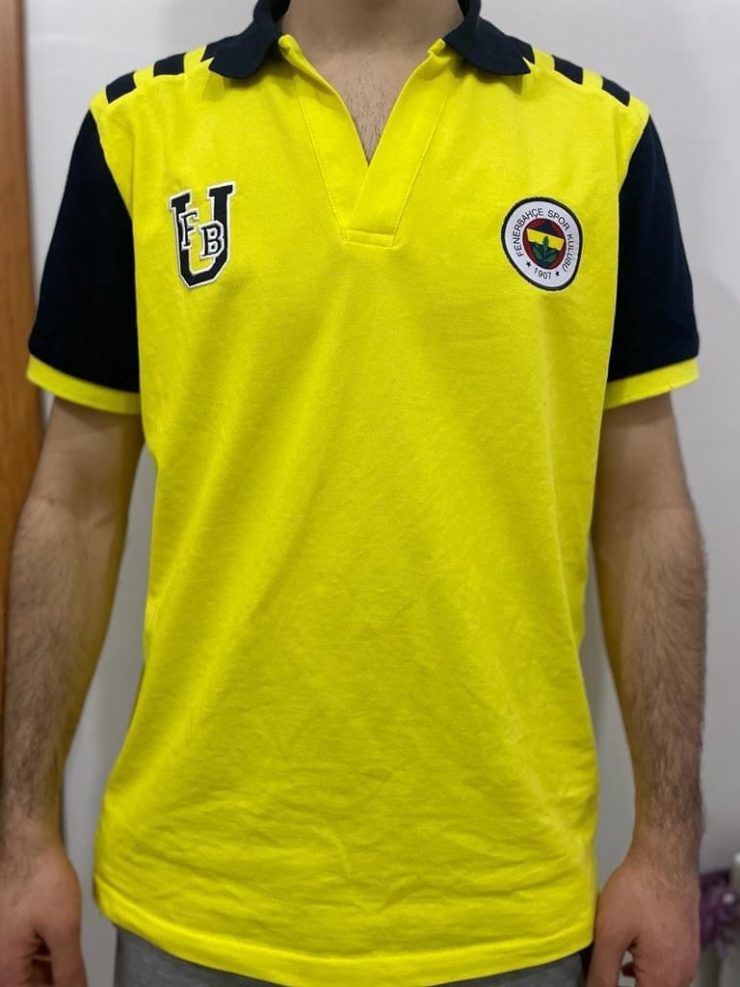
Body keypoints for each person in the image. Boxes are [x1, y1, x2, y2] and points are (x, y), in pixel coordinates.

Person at [0, 0, 707, 985]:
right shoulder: (138, 132)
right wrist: (22, 833)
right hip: (199, 902)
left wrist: (668, 845)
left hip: (503, 906)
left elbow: (645, 515)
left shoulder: (602, 139)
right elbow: (72, 506)